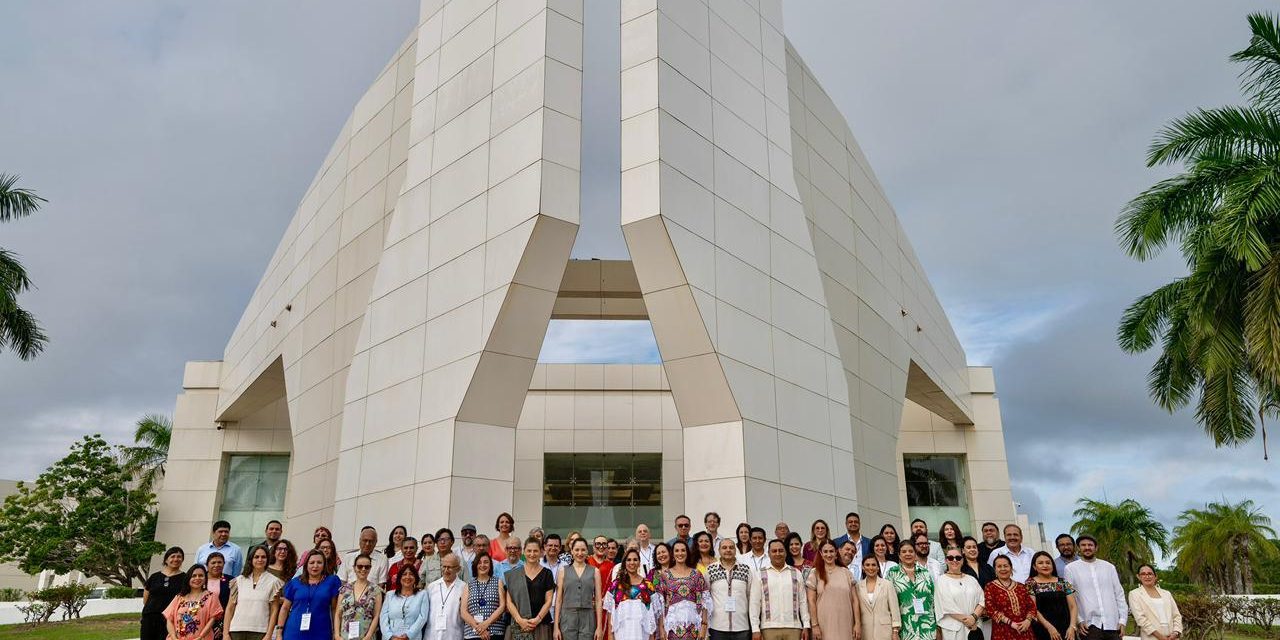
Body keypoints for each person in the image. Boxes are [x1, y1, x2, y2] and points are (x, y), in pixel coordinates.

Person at [1062, 537, 1126, 640]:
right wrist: (1079, 620)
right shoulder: (1070, 569)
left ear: (1096, 548)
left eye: (1090, 545)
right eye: (1083, 545)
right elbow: (1070, 598)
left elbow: (1119, 594)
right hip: (1088, 626)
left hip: (1112, 624)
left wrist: (1122, 620)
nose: (1087, 548)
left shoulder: (1109, 567)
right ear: (1078, 548)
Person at [749, 539, 811, 640]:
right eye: (774, 551)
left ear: (786, 552)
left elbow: (803, 601)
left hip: (794, 628)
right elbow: (754, 603)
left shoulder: (796, 573)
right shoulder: (760, 574)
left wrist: (806, 625)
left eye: (781, 550)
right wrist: (755, 629)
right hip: (769, 628)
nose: (777, 553)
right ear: (768, 553)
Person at [654, 540, 711, 640]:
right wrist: (661, 628)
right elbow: (660, 605)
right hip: (672, 628)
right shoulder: (665, 575)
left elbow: (704, 601)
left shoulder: (696, 574)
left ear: (687, 553)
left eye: (683, 550)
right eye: (677, 551)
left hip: (694, 628)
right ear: (672, 554)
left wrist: (704, 626)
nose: (680, 553)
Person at [224, 546, 284, 640]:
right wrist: (225, 634)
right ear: (251, 559)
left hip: (260, 631)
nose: (260, 559)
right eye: (256, 557)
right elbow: (230, 608)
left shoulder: (274, 582)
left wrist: (268, 635)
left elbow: (274, 610)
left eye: (263, 557)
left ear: (268, 559)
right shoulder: (238, 581)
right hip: (236, 631)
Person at [280, 551, 342, 640]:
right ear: (306, 565)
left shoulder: (332, 581)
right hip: (294, 631)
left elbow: (334, 608)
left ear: (324, 564)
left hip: (321, 631)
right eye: (312, 562)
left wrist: (336, 632)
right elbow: (285, 608)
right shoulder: (295, 583)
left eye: (319, 562)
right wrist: (279, 632)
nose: (315, 566)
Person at [804, 541, 859, 640]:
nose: (829, 555)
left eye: (831, 551)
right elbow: (811, 601)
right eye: (825, 552)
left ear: (836, 552)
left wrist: (857, 624)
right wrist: (815, 625)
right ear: (821, 553)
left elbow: (855, 601)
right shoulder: (815, 573)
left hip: (846, 623)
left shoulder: (846, 573)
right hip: (823, 624)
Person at [505, 538, 557, 640]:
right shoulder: (514, 574)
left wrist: (537, 619)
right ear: (524, 551)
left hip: (541, 625)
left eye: (535, 551)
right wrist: (519, 620)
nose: (532, 554)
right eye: (529, 551)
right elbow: (509, 601)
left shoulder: (547, 573)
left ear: (541, 552)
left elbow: (549, 601)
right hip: (518, 624)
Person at [884, 540, 935, 640]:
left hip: (928, 629)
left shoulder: (925, 573)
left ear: (915, 554)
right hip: (905, 630)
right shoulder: (892, 573)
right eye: (904, 552)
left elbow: (933, 600)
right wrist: (894, 630)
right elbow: (888, 602)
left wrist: (938, 627)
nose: (908, 554)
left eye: (911, 551)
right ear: (899, 555)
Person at [604, 549, 659, 640]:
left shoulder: (648, 585)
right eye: (628, 560)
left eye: (635, 559)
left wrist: (651, 637)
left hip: (642, 634)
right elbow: (610, 614)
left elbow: (651, 616)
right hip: (621, 633)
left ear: (639, 562)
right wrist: (610, 636)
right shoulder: (616, 585)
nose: (632, 562)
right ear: (624, 562)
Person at [554, 538, 602, 640]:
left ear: (587, 551)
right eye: (576, 550)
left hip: (588, 619)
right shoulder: (563, 571)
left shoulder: (595, 571)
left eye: (583, 550)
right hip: (567, 618)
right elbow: (558, 600)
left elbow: (598, 600)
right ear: (571, 551)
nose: (580, 553)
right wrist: (556, 628)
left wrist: (599, 627)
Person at [708, 538, 753, 640]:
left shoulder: (745, 570)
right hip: (717, 627)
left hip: (741, 627)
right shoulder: (710, 570)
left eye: (731, 547)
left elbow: (750, 596)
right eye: (724, 548)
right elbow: (706, 597)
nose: (728, 550)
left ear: (735, 550)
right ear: (719, 551)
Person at [934, 547, 984, 640]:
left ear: (962, 560)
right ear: (946, 561)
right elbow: (946, 606)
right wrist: (968, 620)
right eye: (950, 558)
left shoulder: (971, 579)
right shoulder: (941, 580)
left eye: (958, 558)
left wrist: (973, 617)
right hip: (954, 630)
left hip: (975, 627)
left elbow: (982, 600)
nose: (954, 560)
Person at [165, 564, 224, 640]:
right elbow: (169, 619)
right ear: (188, 578)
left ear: (205, 578)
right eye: (194, 576)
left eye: (201, 575)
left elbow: (212, 620)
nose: (197, 578)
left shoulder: (211, 596)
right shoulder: (179, 597)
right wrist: (174, 638)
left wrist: (200, 637)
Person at [1027, 552, 1077, 640]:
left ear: (1053, 565)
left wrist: (1072, 627)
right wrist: (1049, 627)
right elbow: (1033, 609)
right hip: (1043, 629)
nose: (1045, 565)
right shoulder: (1030, 584)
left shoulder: (1063, 582)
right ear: (1034, 567)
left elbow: (1073, 606)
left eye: (1048, 562)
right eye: (1040, 563)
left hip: (1066, 629)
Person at [985, 556, 1037, 640]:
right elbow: (990, 609)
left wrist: (1028, 621)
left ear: (1011, 568)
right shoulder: (990, 587)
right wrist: (1011, 623)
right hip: (1002, 632)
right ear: (995, 570)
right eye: (999, 566)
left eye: (1006, 566)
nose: (1003, 569)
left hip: (1024, 630)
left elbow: (1031, 607)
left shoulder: (1021, 587)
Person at [142, 546, 186, 640]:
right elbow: (146, 599)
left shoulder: (185, 578)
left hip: (170, 620)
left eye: (179, 557)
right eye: (173, 556)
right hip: (150, 618)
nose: (176, 559)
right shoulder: (155, 577)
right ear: (166, 560)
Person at [337, 552, 384, 640]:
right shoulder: (344, 589)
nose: (363, 569)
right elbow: (338, 614)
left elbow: (376, 615)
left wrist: (368, 636)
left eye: (367, 567)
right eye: (360, 566)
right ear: (354, 568)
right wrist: (337, 635)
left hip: (365, 637)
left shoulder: (376, 590)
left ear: (370, 568)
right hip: (345, 636)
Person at [462, 551, 509, 640]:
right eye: (479, 562)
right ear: (475, 565)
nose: (482, 565)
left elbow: (502, 606)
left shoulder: (498, 582)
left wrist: (486, 623)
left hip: (495, 632)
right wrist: (480, 628)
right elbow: (463, 611)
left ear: (490, 565)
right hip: (472, 634)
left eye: (486, 562)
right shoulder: (468, 585)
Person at [1128, 565, 1182, 640]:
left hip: (1172, 637)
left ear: (1155, 576)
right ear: (1138, 577)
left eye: (1150, 574)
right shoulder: (1134, 594)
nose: (1147, 576)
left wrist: (1176, 632)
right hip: (1151, 637)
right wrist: (1160, 637)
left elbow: (1177, 615)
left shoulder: (1166, 593)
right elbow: (1140, 619)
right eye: (1143, 574)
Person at [856, 555, 900, 640]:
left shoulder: (887, 584)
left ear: (878, 567)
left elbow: (895, 610)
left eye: (873, 565)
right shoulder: (858, 586)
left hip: (885, 632)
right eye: (867, 565)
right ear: (863, 568)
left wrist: (895, 631)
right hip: (865, 631)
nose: (871, 568)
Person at [381, 564, 429, 640]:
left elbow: (422, 617)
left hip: (413, 637)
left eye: (411, 574)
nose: (407, 577)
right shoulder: (390, 595)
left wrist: (409, 635)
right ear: (399, 578)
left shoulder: (422, 594)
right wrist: (390, 636)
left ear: (415, 578)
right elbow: (383, 618)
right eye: (404, 574)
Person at [428, 554, 467, 640]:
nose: (446, 570)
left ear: (458, 569)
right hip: (431, 635)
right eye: (444, 566)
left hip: (454, 635)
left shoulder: (464, 588)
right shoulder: (432, 587)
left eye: (450, 567)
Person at [206, 552, 232, 638]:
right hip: (201, 619)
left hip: (221, 622)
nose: (216, 565)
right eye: (213, 562)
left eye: (220, 562)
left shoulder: (231, 580)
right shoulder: (199, 578)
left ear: (224, 564)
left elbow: (231, 605)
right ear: (207, 565)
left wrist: (222, 627)